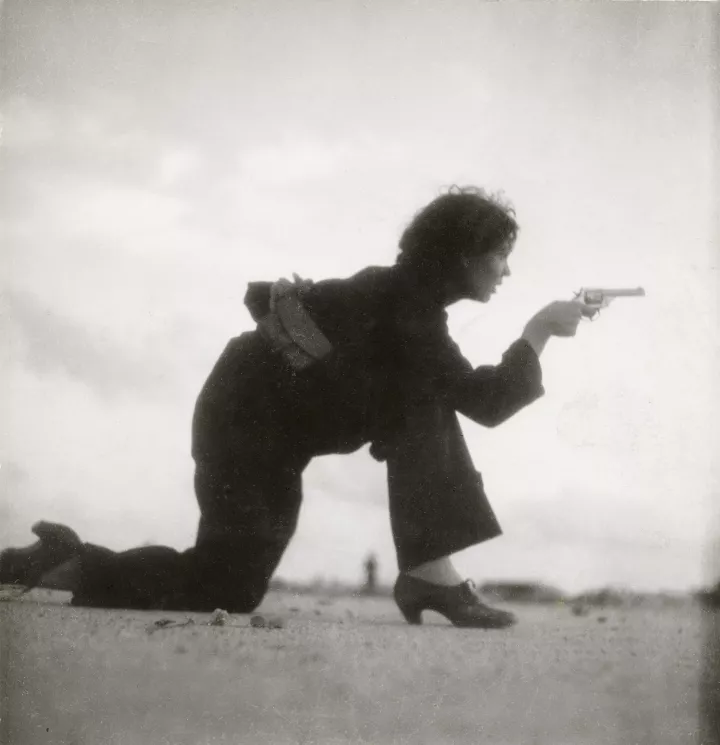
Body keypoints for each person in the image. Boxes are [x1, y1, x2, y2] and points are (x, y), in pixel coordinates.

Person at [0, 186, 591, 629]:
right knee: (225, 586)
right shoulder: (405, 308)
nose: (507, 270)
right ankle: (68, 564)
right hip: (245, 431)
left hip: (258, 427)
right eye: (499, 255)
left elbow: (276, 304)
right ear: (463, 255)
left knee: (229, 582)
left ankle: (428, 576)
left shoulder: (402, 299)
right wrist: (538, 329)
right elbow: (485, 402)